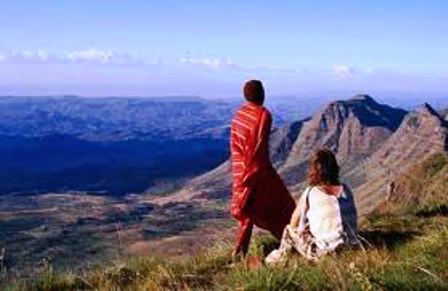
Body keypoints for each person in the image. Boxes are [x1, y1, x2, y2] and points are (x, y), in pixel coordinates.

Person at [230, 80, 296, 258]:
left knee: (249, 209)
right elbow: (258, 149)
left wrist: (241, 171)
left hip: (239, 168)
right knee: (283, 206)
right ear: (261, 94)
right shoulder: (263, 115)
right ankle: (293, 240)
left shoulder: (238, 114)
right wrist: (253, 174)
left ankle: (239, 252)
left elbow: (235, 145)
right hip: (258, 170)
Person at [266, 149, 358, 264]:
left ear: (315, 170)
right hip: (351, 250)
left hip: (325, 254)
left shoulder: (311, 192)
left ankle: (278, 261)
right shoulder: (346, 189)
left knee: (289, 231)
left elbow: (294, 223)